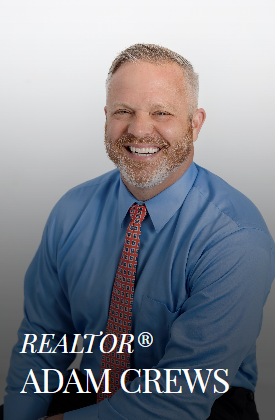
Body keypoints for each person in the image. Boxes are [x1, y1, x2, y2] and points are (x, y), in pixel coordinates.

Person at [4, 44, 275, 420]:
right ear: (105, 117)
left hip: (203, 403)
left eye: (161, 112)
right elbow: (42, 344)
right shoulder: (71, 210)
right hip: (93, 386)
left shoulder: (236, 237)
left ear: (195, 123)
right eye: (123, 111)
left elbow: (180, 396)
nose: (139, 129)